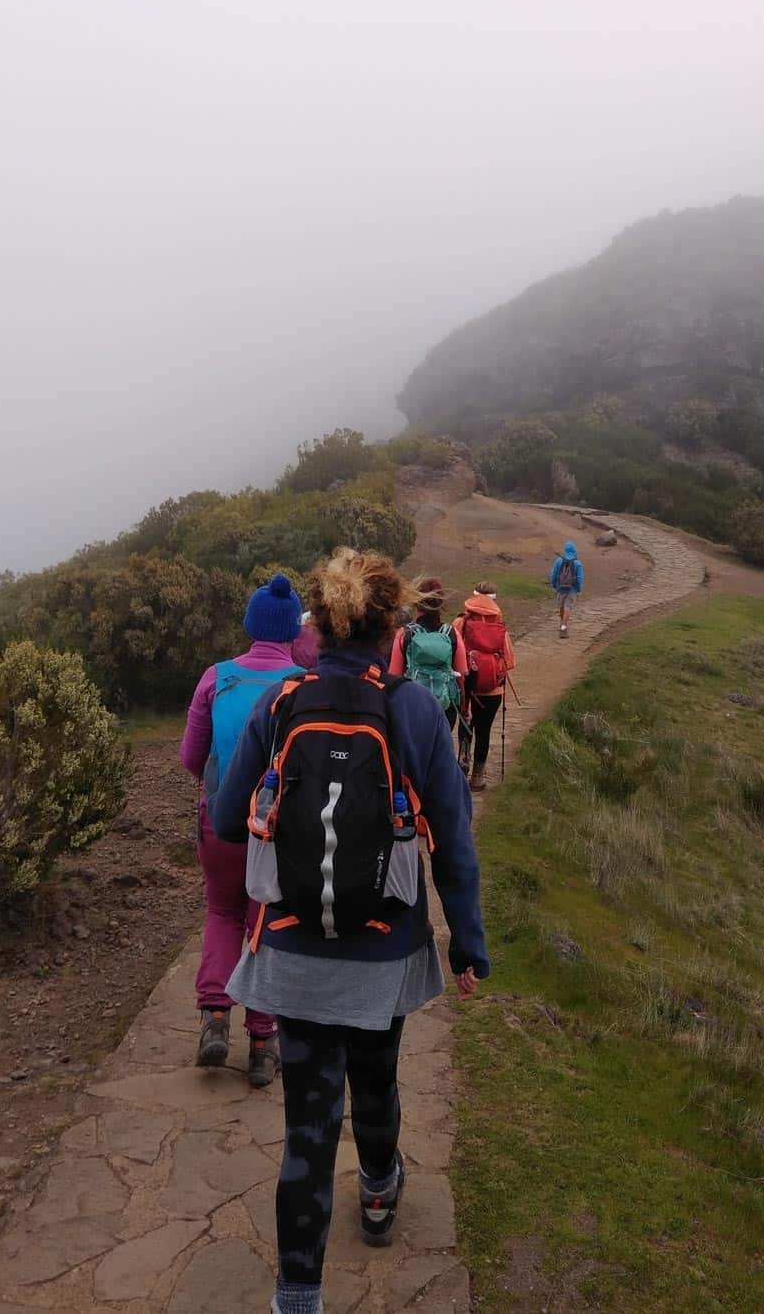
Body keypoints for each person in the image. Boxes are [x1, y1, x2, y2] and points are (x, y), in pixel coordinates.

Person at [211, 547, 489, 1314]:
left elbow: (228, 815)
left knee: (307, 1125)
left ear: (322, 623)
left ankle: (297, 1297)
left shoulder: (281, 703)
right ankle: (376, 1196)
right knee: (376, 1081)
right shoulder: (417, 712)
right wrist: (467, 944)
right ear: (389, 621)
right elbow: (455, 844)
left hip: (294, 951)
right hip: (385, 950)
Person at [179, 572, 305, 1086]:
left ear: (251, 624)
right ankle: (262, 1042)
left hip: (220, 822)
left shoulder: (217, 677)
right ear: (293, 630)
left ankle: (213, 1017)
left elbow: (191, 756)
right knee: (265, 923)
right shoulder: (304, 683)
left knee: (222, 911)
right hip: (280, 831)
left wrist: (216, 791)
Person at [453, 581, 516, 792]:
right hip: (493, 691)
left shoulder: (461, 622)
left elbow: (452, 652)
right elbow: (510, 661)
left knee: (465, 727)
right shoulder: (499, 626)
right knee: (484, 730)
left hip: (466, 688)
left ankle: (463, 764)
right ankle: (478, 777)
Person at [387, 575, 468, 729]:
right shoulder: (452, 633)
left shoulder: (405, 634)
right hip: (444, 706)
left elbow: (394, 675)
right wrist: (464, 707)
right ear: (440, 603)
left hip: (412, 705)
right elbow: (461, 676)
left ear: (417, 603)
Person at [549, 540, 584, 638]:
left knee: (561, 606)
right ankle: (563, 628)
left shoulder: (559, 561)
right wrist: (578, 589)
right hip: (571, 589)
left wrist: (554, 585)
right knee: (568, 607)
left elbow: (554, 574)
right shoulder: (577, 563)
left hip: (560, 587)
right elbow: (580, 578)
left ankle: (562, 624)